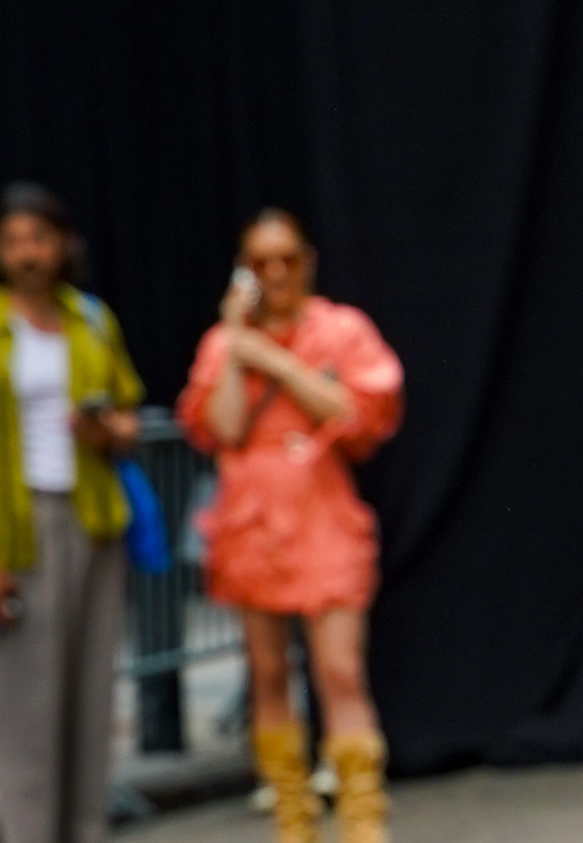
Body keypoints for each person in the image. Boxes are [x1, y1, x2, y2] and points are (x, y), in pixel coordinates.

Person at [0, 183, 144, 843]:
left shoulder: (90, 320)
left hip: (91, 519)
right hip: (18, 525)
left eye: (39, 238)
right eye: (13, 240)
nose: (27, 253)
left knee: (90, 698)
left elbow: (129, 417)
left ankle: (86, 829)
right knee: (27, 710)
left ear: (62, 244)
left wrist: (108, 430)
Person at [177, 211, 403, 843]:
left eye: (287, 260)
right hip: (251, 518)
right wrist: (235, 340)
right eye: (261, 262)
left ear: (307, 262)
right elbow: (222, 427)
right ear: (244, 271)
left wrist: (273, 362)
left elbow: (358, 416)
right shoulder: (224, 343)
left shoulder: (341, 329)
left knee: (340, 669)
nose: (276, 274)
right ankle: (293, 821)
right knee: (269, 673)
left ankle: (362, 823)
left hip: (321, 510)